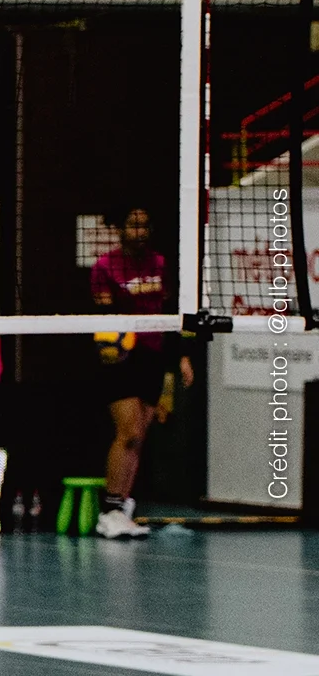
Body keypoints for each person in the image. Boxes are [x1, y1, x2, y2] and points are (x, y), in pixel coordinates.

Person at [90, 207, 191, 540]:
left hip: (154, 356)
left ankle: (122, 508)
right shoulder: (104, 267)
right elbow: (104, 316)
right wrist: (112, 347)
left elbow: (170, 312)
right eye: (133, 225)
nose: (140, 231)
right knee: (129, 433)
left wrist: (182, 356)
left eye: (145, 225)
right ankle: (109, 510)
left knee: (141, 436)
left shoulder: (160, 265)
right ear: (121, 229)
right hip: (120, 359)